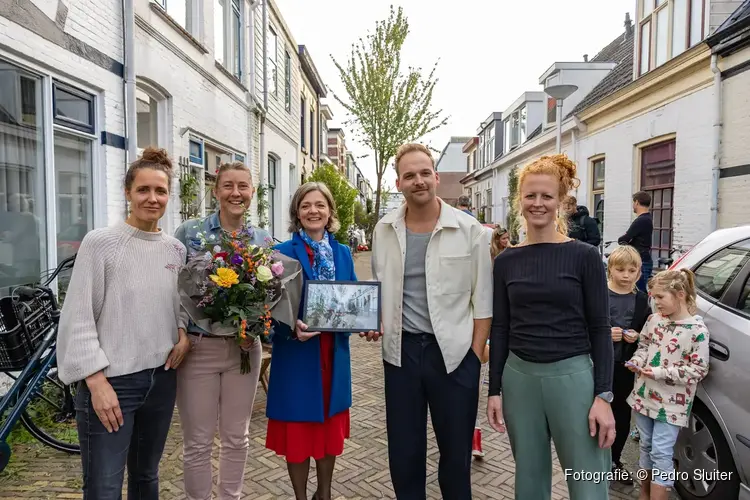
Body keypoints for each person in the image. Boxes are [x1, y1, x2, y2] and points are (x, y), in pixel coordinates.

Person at [57, 147, 190, 500]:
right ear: (127, 192)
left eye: (160, 191)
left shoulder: (175, 250)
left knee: (146, 478)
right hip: (113, 382)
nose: (152, 198)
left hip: (161, 379)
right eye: (143, 190)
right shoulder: (101, 244)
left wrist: (181, 331)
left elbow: (174, 302)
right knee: (104, 488)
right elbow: (79, 316)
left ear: (168, 195)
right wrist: (95, 380)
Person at [486, 154, 616, 500]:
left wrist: (603, 395)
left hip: (574, 379)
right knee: (529, 482)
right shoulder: (506, 261)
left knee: (588, 483)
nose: (538, 204)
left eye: (546, 196)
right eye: (530, 196)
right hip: (519, 380)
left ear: (561, 202)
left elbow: (601, 329)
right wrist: (495, 389)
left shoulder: (585, 256)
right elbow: (500, 327)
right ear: (520, 201)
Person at [370, 143, 493, 499]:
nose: (418, 181)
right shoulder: (384, 230)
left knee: (456, 457)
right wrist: (373, 320)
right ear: (399, 183)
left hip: (454, 357)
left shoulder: (470, 230)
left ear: (436, 177)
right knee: (404, 455)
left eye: (425, 173)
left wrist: (473, 356)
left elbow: (483, 301)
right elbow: (382, 288)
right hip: (401, 355)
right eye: (410, 175)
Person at [265, 182, 380, 500]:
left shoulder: (343, 252)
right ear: (297, 213)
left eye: (319, 205)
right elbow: (270, 308)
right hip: (297, 353)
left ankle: (325, 493)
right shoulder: (281, 254)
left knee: (329, 426)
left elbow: (352, 300)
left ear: (330, 212)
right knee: (299, 428)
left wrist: (366, 324)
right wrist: (290, 328)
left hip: (333, 352)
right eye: (305, 206)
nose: (313, 211)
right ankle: (302, 497)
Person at [173, 161, 269, 500]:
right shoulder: (190, 233)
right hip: (199, 348)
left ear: (252, 193)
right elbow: (174, 288)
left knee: (236, 437)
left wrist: (256, 326)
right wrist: (181, 331)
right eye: (228, 186)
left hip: (244, 350)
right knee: (197, 441)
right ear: (216, 190)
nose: (236, 193)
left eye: (243, 186)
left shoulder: (262, 241)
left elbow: (269, 295)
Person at [626, 269, 709, 500]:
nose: (655, 302)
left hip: (672, 405)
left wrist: (659, 371)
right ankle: (643, 494)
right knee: (645, 446)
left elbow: (699, 369)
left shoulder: (697, 331)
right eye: (653, 297)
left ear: (680, 294)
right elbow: (644, 346)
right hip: (644, 396)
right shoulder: (654, 321)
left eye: (660, 297)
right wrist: (636, 361)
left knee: (661, 453)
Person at [606, 245, 651, 484]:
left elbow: (650, 333)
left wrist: (638, 336)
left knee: (622, 414)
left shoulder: (643, 300)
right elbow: (581, 327)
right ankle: (594, 459)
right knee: (595, 409)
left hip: (625, 366)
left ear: (639, 272)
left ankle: (614, 459)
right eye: (620, 269)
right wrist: (605, 333)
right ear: (610, 270)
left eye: (631, 270)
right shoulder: (599, 295)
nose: (625, 275)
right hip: (599, 365)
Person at [618, 191, 653, 292]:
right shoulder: (647, 219)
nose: (633, 205)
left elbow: (623, 239)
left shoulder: (641, 220)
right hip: (643, 259)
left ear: (636, 202)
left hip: (640, 261)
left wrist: (625, 239)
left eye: (633, 203)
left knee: (639, 292)